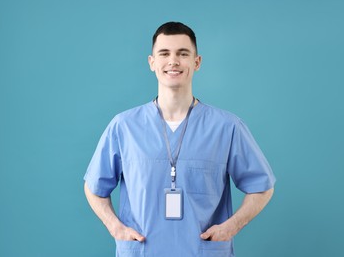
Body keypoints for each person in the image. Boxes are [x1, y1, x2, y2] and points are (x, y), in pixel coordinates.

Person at [84, 21, 276, 257]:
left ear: (197, 62)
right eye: (164, 53)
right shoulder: (124, 127)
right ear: (152, 62)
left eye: (182, 54)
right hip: (142, 251)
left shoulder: (227, 127)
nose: (173, 61)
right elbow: (94, 187)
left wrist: (231, 227)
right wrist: (115, 228)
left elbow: (262, 187)